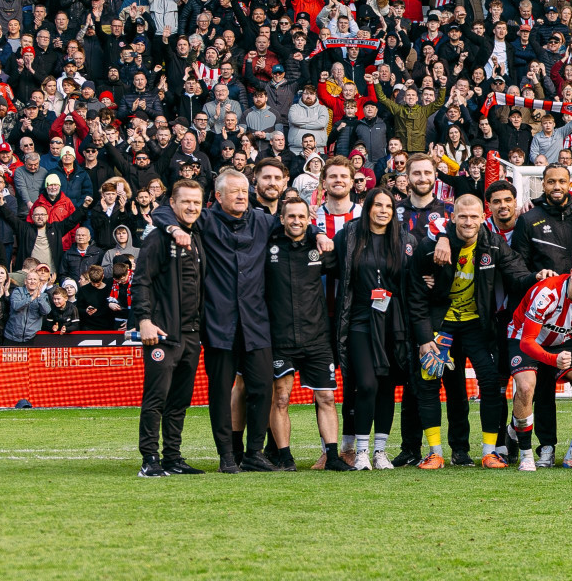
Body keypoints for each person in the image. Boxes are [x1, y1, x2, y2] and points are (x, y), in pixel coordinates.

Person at [160, 169, 277, 474]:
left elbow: (296, 224)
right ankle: (226, 455)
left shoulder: (263, 221)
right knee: (221, 392)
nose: (241, 196)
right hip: (218, 323)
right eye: (234, 191)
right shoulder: (206, 219)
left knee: (262, 388)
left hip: (256, 322)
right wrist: (174, 229)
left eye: (244, 190)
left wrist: (318, 234)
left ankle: (254, 453)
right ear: (219, 196)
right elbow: (162, 211)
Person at [404, 194, 528, 469]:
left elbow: (517, 273)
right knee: (429, 383)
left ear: (483, 217)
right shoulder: (430, 246)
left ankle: (489, 452)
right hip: (441, 326)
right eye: (463, 216)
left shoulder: (493, 244)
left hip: (477, 326)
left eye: (474, 216)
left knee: (491, 383)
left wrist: (541, 278)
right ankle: (435, 452)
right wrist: (424, 338)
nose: (468, 222)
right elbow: (415, 295)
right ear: (453, 218)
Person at [330, 189, 418, 470]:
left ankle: (380, 452)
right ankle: (361, 452)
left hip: (394, 322)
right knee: (366, 383)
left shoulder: (405, 239)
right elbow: (329, 262)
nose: (383, 210)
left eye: (388, 206)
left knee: (386, 385)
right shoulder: (349, 235)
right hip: (359, 320)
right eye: (377, 205)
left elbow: (416, 274)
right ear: (367, 208)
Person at [506, 249, 572, 470]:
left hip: (560, 340)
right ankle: (526, 455)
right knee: (525, 387)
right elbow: (527, 341)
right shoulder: (547, 293)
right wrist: (551, 359)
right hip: (523, 337)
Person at [264, 195, 347, 471]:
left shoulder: (320, 248)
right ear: (282, 219)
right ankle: (285, 457)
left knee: (327, 398)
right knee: (281, 398)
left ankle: (332, 457)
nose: (296, 221)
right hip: (280, 338)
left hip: (317, 338)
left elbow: (346, 274)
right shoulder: (268, 246)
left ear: (309, 220)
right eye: (291, 216)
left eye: (302, 216)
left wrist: (319, 234)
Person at [135, 179, 207, 478]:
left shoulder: (198, 236)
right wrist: (144, 320)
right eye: (185, 201)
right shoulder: (158, 238)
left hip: (191, 334)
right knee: (156, 398)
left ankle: (172, 458)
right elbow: (141, 281)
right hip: (163, 333)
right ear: (173, 204)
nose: (191, 207)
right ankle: (149, 459)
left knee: (179, 401)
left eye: (196, 202)